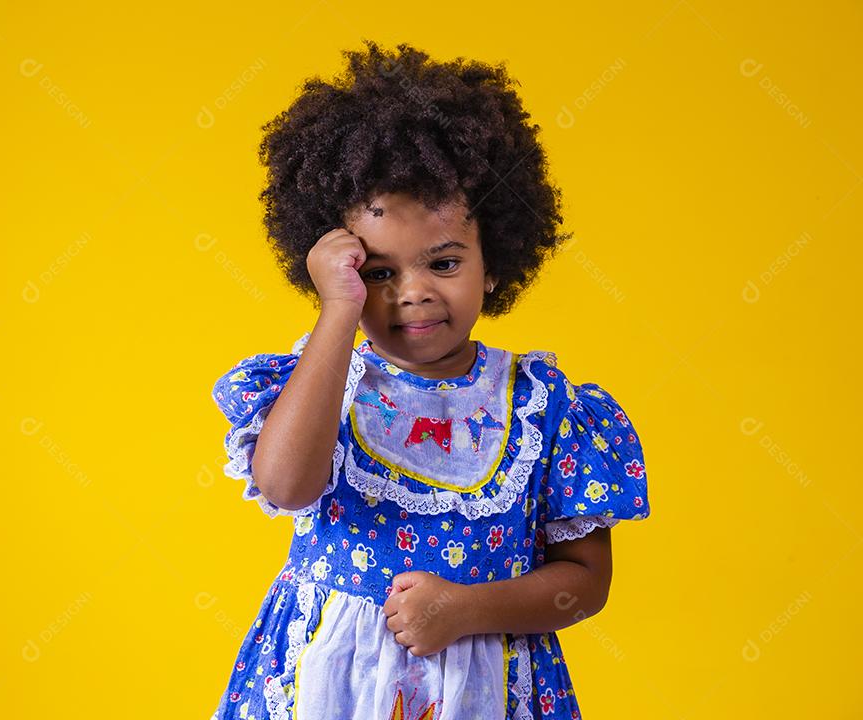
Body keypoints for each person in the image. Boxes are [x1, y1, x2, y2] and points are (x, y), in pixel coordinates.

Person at [209, 40, 650, 720]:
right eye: (380, 273)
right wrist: (338, 314)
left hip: (488, 691)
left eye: (442, 264)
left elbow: (586, 583)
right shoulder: (326, 381)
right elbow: (284, 485)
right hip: (328, 689)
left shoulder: (545, 407)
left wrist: (469, 609)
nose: (411, 293)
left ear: (494, 263)